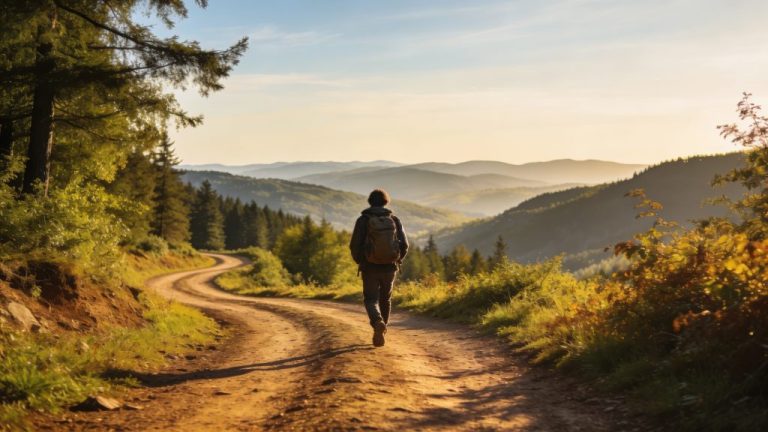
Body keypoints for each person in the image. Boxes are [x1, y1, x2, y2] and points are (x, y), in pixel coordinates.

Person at [349, 189, 408, 347]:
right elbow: (405, 245)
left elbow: (355, 245)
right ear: (385, 202)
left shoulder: (363, 220)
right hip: (390, 267)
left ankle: (377, 323)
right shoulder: (394, 219)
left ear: (370, 202)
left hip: (369, 267)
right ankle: (383, 328)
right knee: (385, 299)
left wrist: (361, 261)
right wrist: (397, 259)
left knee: (370, 299)